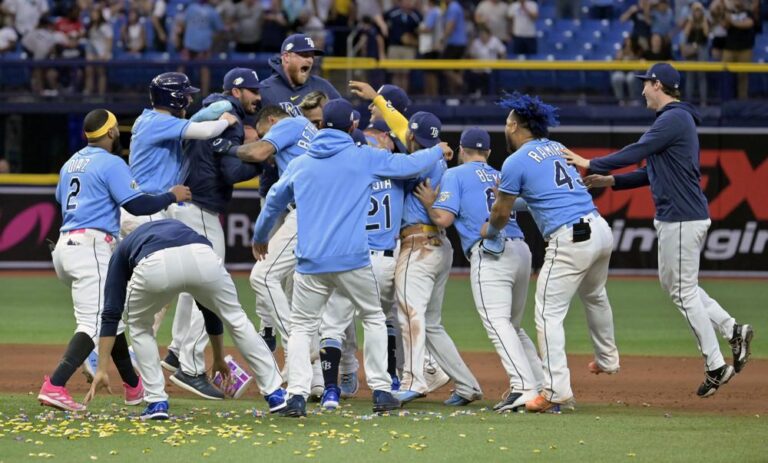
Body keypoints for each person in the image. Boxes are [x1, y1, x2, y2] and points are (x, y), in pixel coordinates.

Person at [251, 98, 452, 417]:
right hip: (353, 260)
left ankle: (298, 395)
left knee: (303, 326)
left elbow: (274, 199)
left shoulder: (302, 163)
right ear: (353, 126)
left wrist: (261, 235)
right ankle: (382, 391)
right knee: (373, 317)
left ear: (320, 126)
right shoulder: (363, 158)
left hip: (311, 261)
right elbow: (408, 166)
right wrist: (436, 150)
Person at [564, 62, 754, 398]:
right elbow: (651, 170)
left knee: (682, 291)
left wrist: (591, 163)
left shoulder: (673, 118)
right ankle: (733, 330)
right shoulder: (673, 121)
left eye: (645, 84)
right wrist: (613, 181)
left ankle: (715, 365)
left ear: (657, 84)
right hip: (679, 217)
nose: (641, 90)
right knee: (679, 286)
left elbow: (636, 152)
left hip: (682, 217)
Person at [37, 109, 191, 412]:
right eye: (116, 131)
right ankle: (55, 385)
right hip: (90, 246)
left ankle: (134, 387)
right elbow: (137, 204)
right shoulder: (111, 162)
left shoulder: (71, 163)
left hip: (67, 246)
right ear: (110, 133)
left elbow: (59, 197)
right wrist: (171, 195)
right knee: (94, 323)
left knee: (112, 318)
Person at [488, 92, 620, 413]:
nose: (505, 129)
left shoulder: (515, 161)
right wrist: (507, 197)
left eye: (508, 123)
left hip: (570, 237)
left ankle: (555, 390)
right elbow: (539, 198)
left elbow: (502, 215)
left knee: (548, 313)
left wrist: (492, 228)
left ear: (516, 126)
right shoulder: (556, 147)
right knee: (595, 295)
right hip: (599, 229)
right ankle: (607, 359)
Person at [84, 220, 287, 420]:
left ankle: (156, 402)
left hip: (154, 265)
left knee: (140, 326)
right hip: (202, 256)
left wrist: (102, 369)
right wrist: (217, 356)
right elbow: (209, 310)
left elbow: (111, 313)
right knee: (236, 318)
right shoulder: (177, 228)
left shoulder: (120, 252)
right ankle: (275, 394)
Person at [350, 80, 473, 402]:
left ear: (414, 139)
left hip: (418, 246)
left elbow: (402, 128)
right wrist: (377, 98)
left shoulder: (422, 159)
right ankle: (467, 385)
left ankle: (415, 380)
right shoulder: (435, 159)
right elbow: (405, 128)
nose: (405, 135)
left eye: (410, 135)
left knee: (409, 315)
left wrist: (378, 100)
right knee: (431, 323)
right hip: (438, 246)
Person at [413, 127, 544, 412]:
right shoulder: (498, 174)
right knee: (514, 326)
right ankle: (543, 385)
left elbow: (444, 219)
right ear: (488, 152)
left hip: (492, 254)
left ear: (461, 150)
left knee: (498, 324)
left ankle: (524, 387)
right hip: (521, 249)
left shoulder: (455, 175)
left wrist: (428, 204)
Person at [161, 68, 264, 401]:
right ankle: (190, 367)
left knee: (191, 285)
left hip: (188, 206)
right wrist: (264, 158)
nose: (257, 96)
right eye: (252, 91)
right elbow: (231, 170)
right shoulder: (227, 114)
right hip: (201, 209)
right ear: (236, 92)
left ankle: (178, 350)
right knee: (211, 284)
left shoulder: (212, 110)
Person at [121, 71, 237, 238]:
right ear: (174, 98)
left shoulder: (152, 119)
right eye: (186, 95)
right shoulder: (158, 122)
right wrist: (225, 121)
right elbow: (206, 132)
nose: (189, 100)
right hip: (147, 210)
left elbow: (189, 124)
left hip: (145, 208)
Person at [175, 0, 224, 95]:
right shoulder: (212, 11)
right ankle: (204, 95)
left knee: (183, 68)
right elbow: (220, 29)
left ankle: (178, 92)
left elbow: (182, 24)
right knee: (204, 69)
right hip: (203, 45)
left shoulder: (191, 8)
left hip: (190, 43)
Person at [384, 0, 421, 92]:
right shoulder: (392, 13)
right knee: (395, 73)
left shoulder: (416, 16)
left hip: (408, 49)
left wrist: (413, 40)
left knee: (405, 74)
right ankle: (394, 95)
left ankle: (403, 96)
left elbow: (421, 30)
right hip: (394, 47)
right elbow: (382, 21)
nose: (408, 3)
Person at [722, 0, 756, 99]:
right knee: (726, 75)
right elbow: (724, 25)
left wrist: (732, 21)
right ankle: (726, 99)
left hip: (745, 49)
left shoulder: (748, 12)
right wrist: (729, 16)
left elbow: (748, 24)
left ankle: (742, 101)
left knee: (743, 77)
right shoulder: (729, 12)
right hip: (729, 48)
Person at [681, 2, 709, 106]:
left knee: (702, 76)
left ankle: (703, 101)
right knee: (690, 76)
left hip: (702, 48)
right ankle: (689, 101)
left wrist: (703, 20)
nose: (697, 12)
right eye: (695, 10)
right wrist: (691, 21)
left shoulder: (705, 20)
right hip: (691, 49)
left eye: (699, 10)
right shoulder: (690, 21)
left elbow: (706, 33)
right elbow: (686, 33)